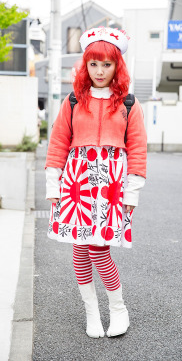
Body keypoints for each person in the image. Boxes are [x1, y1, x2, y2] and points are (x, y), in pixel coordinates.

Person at [45, 27, 147, 338]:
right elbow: (59, 141)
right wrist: (53, 184)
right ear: (85, 65)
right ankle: (92, 312)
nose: (99, 71)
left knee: (99, 250)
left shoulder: (128, 103)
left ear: (118, 65)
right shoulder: (75, 99)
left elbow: (139, 147)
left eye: (106, 64)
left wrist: (133, 189)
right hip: (77, 184)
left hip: (111, 186)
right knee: (79, 249)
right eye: (93, 64)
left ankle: (118, 309)